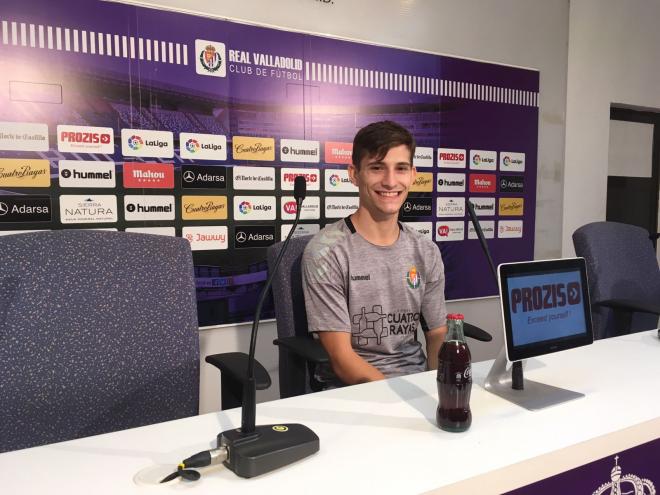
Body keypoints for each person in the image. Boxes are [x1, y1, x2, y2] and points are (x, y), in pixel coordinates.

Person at [302, 120, 447, 387]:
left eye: (400, 169)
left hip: (417, 388)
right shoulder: (326, 251)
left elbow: (437, 334)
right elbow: (342, 359)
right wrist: (401, 401)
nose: (390, 181)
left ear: (413, 175)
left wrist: (440, 390)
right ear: (354, 174)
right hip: (352, 394)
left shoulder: (426, 250)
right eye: (377, 168)